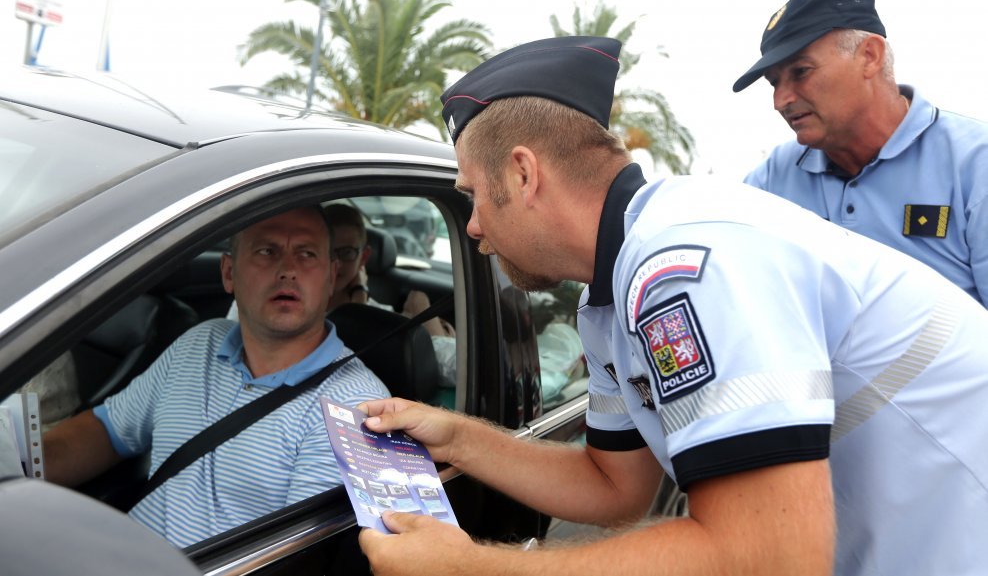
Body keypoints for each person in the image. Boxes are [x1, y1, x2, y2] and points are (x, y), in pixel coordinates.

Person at [355, 36, 988, 576]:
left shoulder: (686, 263)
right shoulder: (612, 293)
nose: (470, 226)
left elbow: (768, 557)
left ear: (523, 174)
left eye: (473, 195)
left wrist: (470, 566)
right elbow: (615, 485)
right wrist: (460, 439)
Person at [43, 206, 390, 547]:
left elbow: (296, 560)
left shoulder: (355, 408)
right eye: (267, 251)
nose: (288, 270)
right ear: (228, 273)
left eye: (306, 253)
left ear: (332, 276)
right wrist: (22, 467)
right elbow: (107, 429)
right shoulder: (199, 342)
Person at [733, 0, 988, 306]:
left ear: (870, 56)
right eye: (774, 82)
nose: (780, 100)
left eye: (800, 71)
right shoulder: (772, 181)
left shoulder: (975, 164)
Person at [325, 202, 457, 386]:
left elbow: (450, 363)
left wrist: (359, 302)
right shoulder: (293, 309)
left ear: (364, 257)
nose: (336, 263)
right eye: (328, 251)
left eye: (347, 253)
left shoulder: (381, 320)